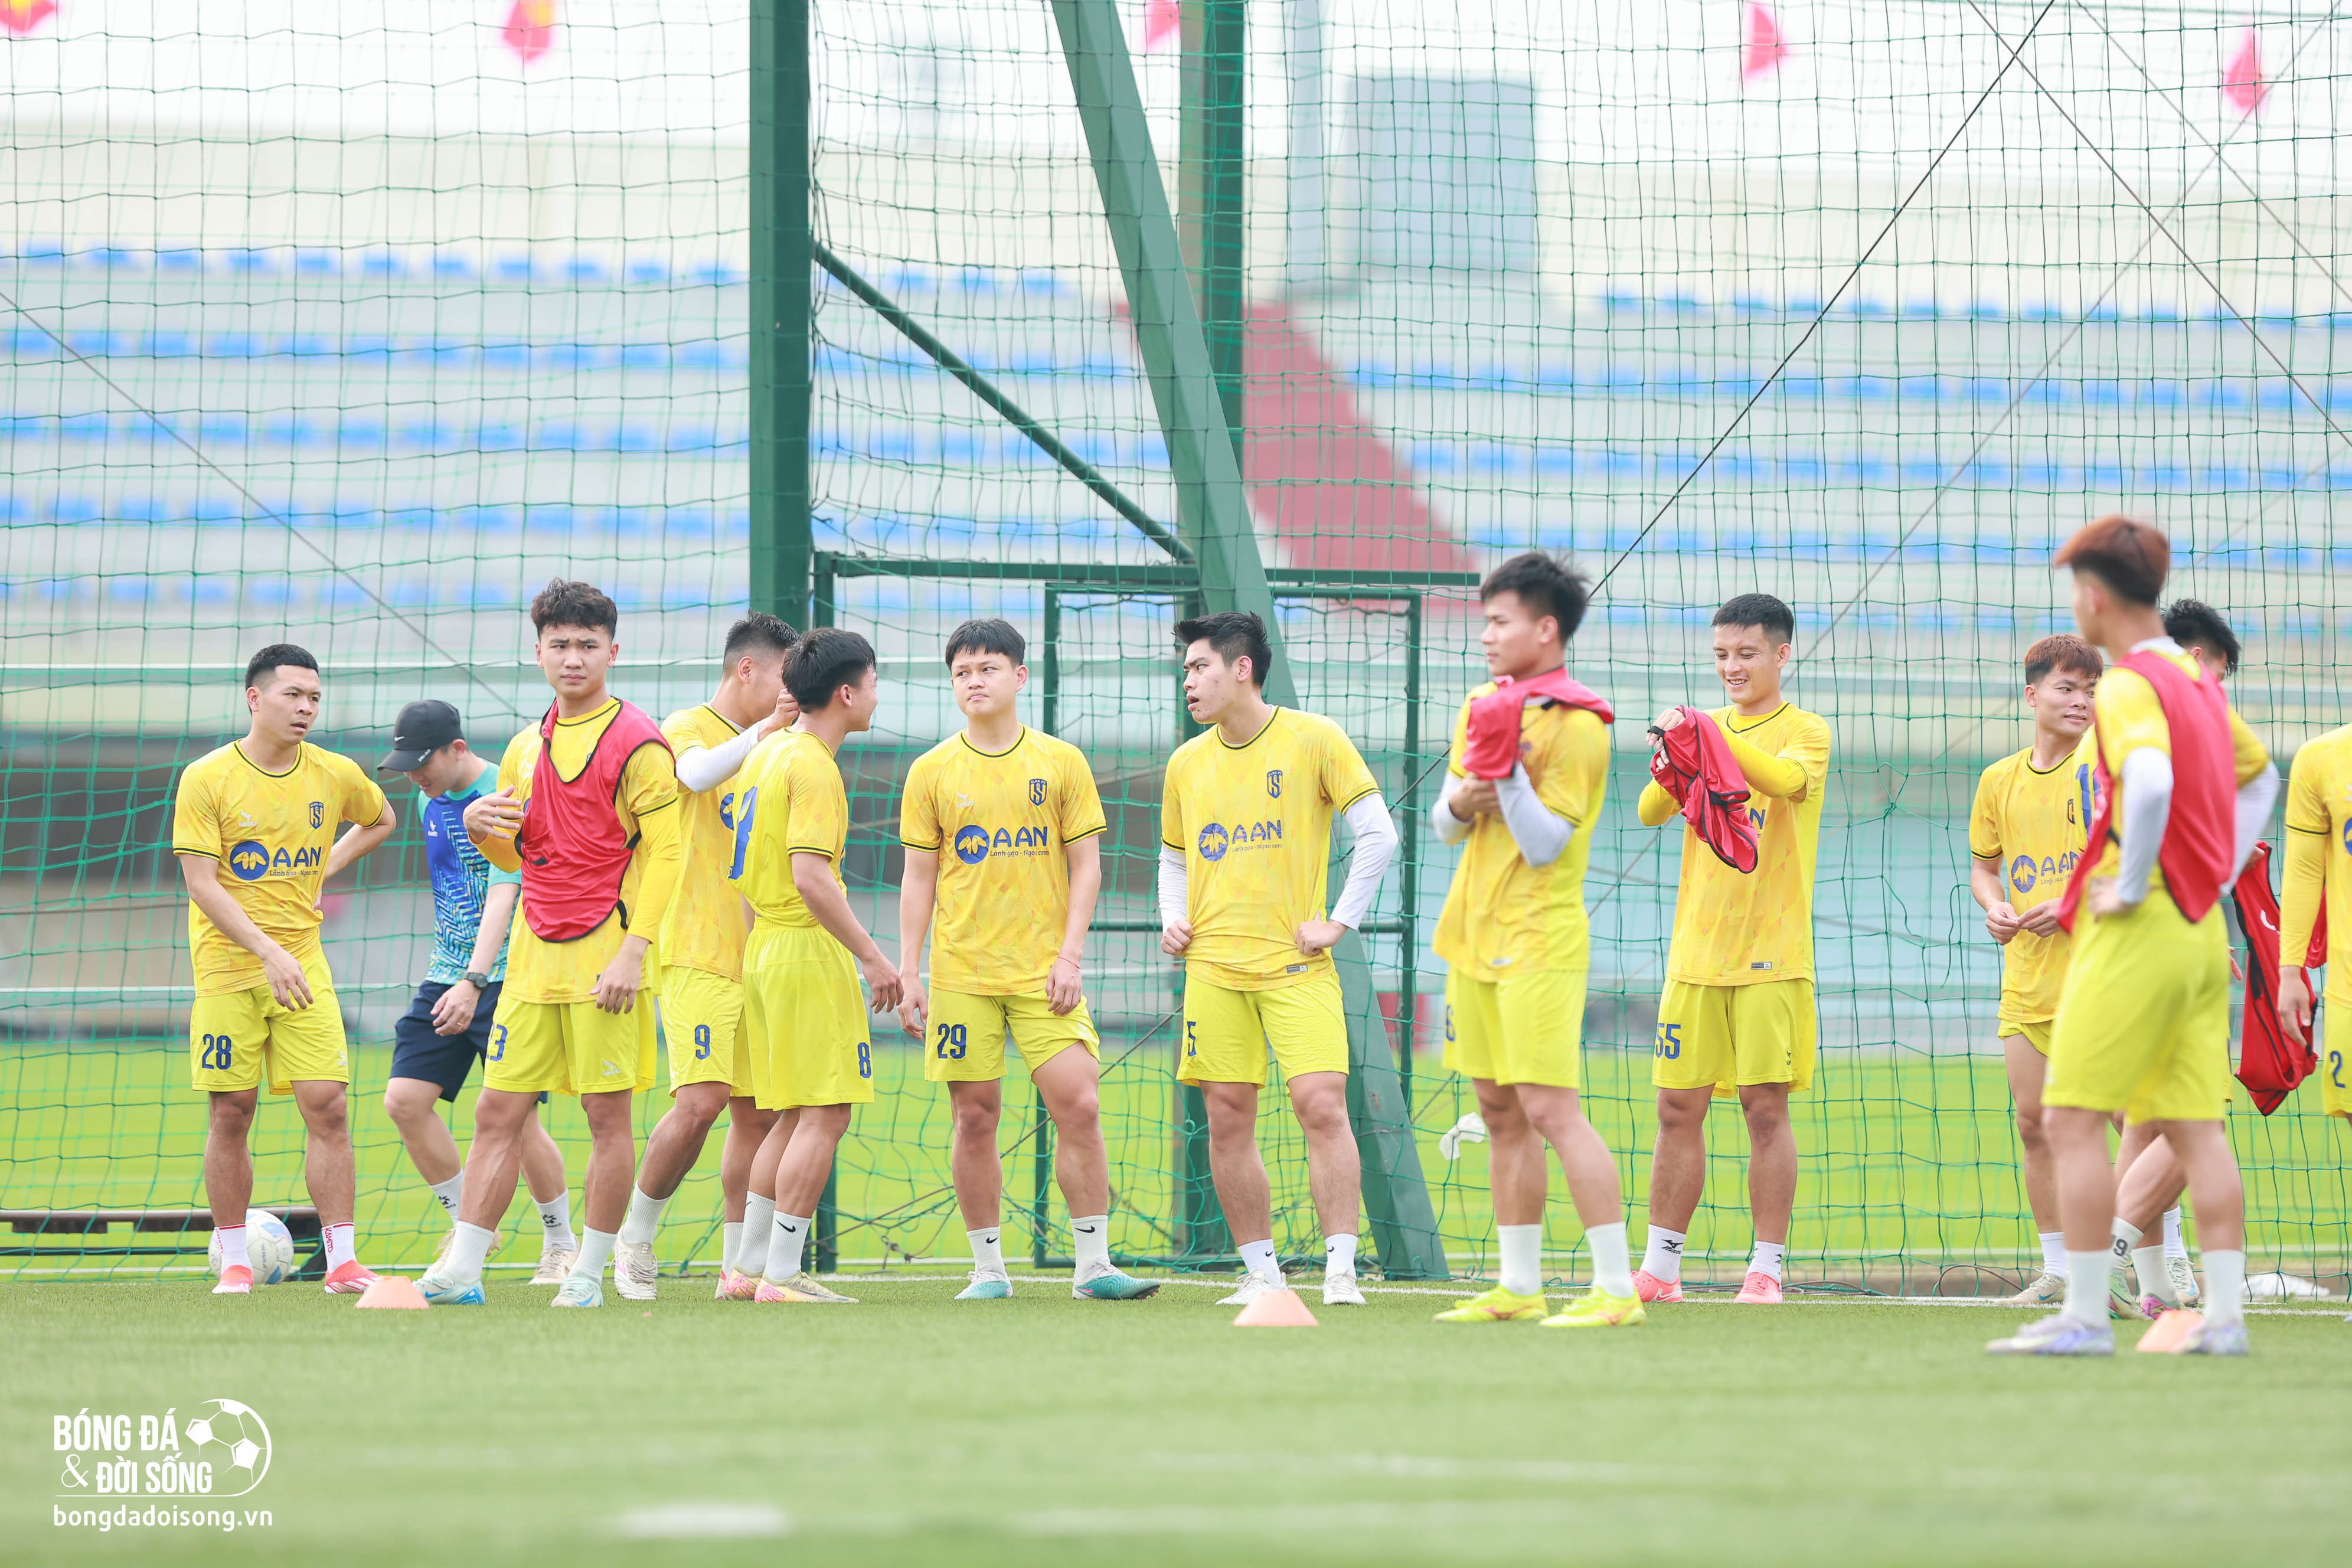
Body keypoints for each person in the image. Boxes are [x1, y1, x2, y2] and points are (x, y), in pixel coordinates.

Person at [1990, 517, 2278, 1356]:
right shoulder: (2195, 679)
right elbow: (2260, 779)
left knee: (2072, 1118)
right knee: (2195, 1129)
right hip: (2197, 932)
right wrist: (2211, 878)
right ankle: (2223, 1321)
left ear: (2094, 594)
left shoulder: (2126, 687)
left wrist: (2136, 879)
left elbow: (2148, 779)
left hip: (2138, 928)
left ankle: (2084, 1315)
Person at [417, 580, 683, 1308]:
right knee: (496, 1112)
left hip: (608, 958)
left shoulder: (640, 743)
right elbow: (520, 858)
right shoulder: (523, 748)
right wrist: (482, 833)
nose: (573, 658)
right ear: (538, 652)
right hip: (532, 962)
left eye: (587, 645)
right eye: (560, 644)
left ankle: (589, 1273)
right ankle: (464, 1268)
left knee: (607, 1118)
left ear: (612, 652)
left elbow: (669, 854)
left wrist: (635, 952)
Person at [896, 618, 1158, 1301]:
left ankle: (1093, 1266)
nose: (974, 681)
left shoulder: (1061, 762)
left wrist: (1070, 956)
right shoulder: (930, 771)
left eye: (987, 668)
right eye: (962, 672)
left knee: (1081, 1103)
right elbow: (918, 877)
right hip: (962, 974)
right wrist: (909, 970)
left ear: (1019, 675)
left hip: (1045, 972)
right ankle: (988, 1270)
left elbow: (1087, 866)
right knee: (974, 1117)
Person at [1157, 610, 1399, 1308]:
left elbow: (1379, 835)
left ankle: (1341, 1271)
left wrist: (1340, 921)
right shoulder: (1185, 762)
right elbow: (1173, 859)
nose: (1188, 681)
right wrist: (1173, 916)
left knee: (1321, 1106)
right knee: (1227, 1117)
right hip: (1213, 972)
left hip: (1296, 969)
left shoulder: (1314, 737)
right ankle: (1261, 1273)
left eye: (1199, 666)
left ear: (1242, 668)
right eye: (1185, 670)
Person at [1426, 554, 1643, 1329]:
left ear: (1546, 629)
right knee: (1498, 1109)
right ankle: (1519, 1285)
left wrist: (1508, 779)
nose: (1486, 635)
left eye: (1500, 621)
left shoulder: (1580, 724)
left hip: (1540, 941)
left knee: (1553, 1110)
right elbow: (1445, 825)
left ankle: (1617, 1289)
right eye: (1484, 621)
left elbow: (1548, 844)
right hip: (1472, 935)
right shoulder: (1482, 703)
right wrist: (1467, 796)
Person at [172, 643, 397, 1295]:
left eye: (314, 698)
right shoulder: (207, 777)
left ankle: (343, 1262)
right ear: (255, 698)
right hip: (227, 970)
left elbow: (381, 818)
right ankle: (236, 1261)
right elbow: (202, 884)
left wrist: (326, 868)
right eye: (293, 695)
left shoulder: (334, 772)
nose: (305, 708)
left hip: (303, 964)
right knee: (231, 1112)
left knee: (329, 1107)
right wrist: (267, 951)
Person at [1633, 593, 1831, 1305]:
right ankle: (1660, 1268)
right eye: (1721, 654)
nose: (1731, 667)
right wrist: (1677, 757)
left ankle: (1766, 1268)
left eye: (1746, 653)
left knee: (1764, 1109)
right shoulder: (1707, 727)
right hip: (1695, 953)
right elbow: (1650, 811)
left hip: (1773, 955)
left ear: (1782, 653)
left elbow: (1785, 782)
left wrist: (1709, 739)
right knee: (1675, 1108)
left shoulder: (1806, 729)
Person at [610, 613, 801, 1302]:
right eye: (785, 678)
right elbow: (691, 775)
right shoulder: (687, 725)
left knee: (757, 1115)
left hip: (761, 954)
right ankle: (635, 1236)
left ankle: (738, 1267)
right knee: (701, 1101)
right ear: (747, 669)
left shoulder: (782, 747)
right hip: (696, 945)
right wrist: (767, 731)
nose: (793, 694)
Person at [377, 700, 577, 1285]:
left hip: (506, 978)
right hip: (447, 972)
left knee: (518, 1122)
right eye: (406, 765)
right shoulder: (428, 797)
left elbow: (504, 893)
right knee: (404, 1101)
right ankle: (471, 1229)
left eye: (423, 763)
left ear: (457, 749)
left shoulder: (503, 795)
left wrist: (475, 980)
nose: (415, 775)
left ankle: (562, 1243)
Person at [733, 628, 902, 1305]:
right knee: (826, 1113)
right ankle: (781, 1273)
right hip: (804, 948)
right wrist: (873, 957)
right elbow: (811, 876)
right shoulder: (813, 766)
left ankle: (748, 1266)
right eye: (874, 683)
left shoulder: (767, 753)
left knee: (793, 1112)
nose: (877, 696)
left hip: (765, 947)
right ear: (847, 693)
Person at [2103, 598, 2246, 1316]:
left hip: (2143, 939)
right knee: (2197, 1121)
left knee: (2147, 1118)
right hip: (2159, 940)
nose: (2217, 690)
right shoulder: (2163, 721)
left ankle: (2150, 1284)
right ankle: (2105, 1259)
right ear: (2192, 659)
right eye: (2216, 672)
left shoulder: (2134, 713)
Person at [1967, 635, 2101, 1306]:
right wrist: (1995, 906)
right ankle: (2059, 1268)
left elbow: (2135, 864)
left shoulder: (2107, 772)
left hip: (2100, 974)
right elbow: (1984, 867)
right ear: (2032, 695)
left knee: (2130, 1122)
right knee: (2034, 1123)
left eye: (2090, 691)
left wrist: (2074, 904)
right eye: (2067, 688)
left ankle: (2163, 1264)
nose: (2080, 702)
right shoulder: (1998, 779)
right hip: (2027, 978)